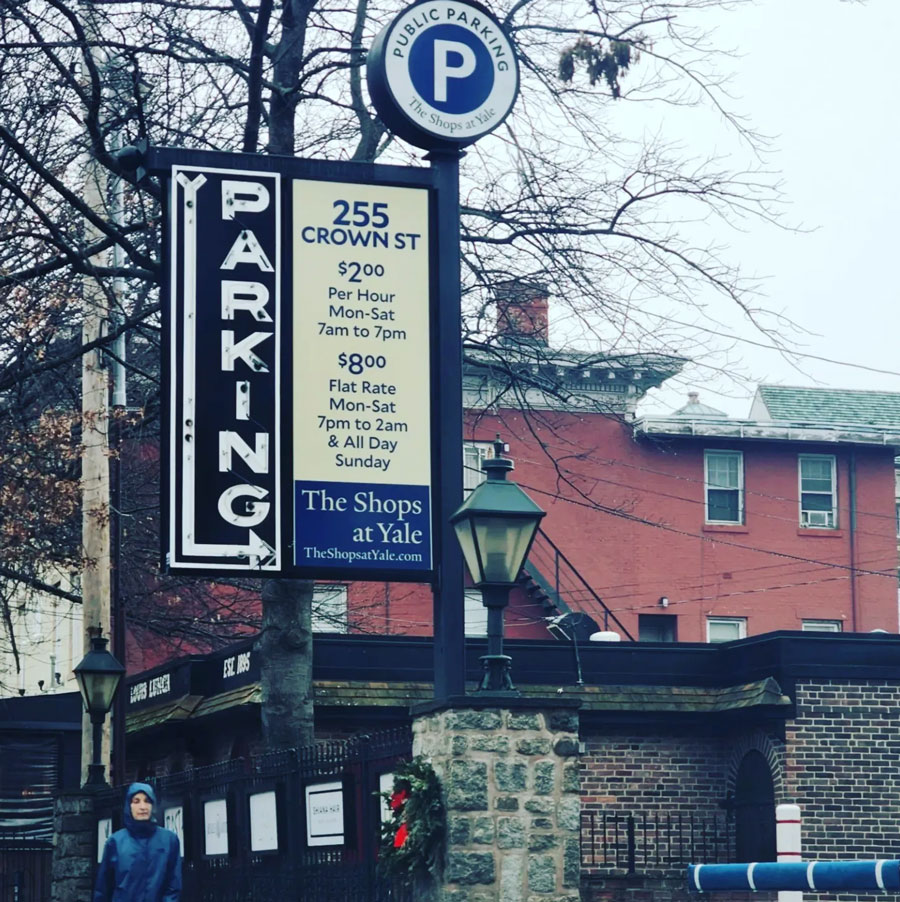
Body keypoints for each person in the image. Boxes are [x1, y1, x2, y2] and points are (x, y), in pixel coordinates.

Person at [93, 782, 182, 902]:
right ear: (128, 806)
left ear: (153, 805)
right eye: (136, 801)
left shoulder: (169, 840)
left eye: (147, 801)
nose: (143, 806)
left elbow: (173, 885)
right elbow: (103, 889)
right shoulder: (115, 842)